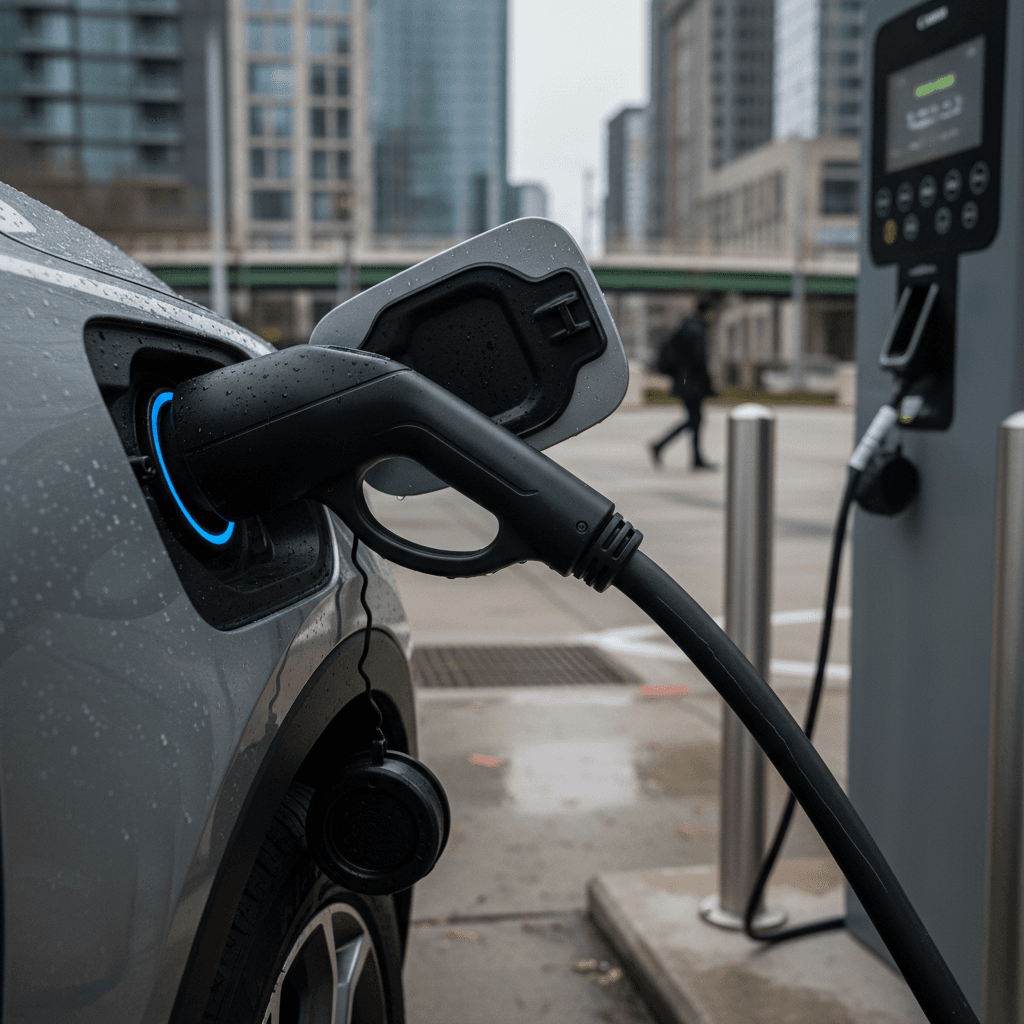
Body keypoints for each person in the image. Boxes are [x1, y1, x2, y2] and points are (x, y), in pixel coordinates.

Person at [650, 297, 718, 469]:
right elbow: (698, 360)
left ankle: (694, 457)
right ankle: (660, 445)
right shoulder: (696, 330)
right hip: (691, 383)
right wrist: (709, 384)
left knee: (694, 419)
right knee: (694, 419)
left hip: (685, 380)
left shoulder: (688, 326)